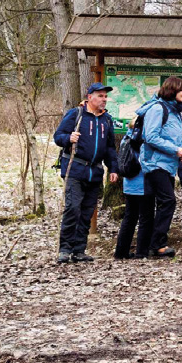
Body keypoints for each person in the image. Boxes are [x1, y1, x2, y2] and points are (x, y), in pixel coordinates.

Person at [54, 82, 119, 263]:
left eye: (105, 96)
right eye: (100, 96)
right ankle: (65, 250)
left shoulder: (107, 120)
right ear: (90, 97)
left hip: (95, 172)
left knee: (86, 212)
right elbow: (58, 136)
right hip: (74, 169)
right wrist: (68, 138)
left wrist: (113, 168)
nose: (104, 99)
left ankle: (79, 250)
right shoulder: (76, 114)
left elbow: (110, 148)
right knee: (72, 209)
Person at [137, 76, 182, 258]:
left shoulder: (173, 111)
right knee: (168, 201)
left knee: (157, 204)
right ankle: (157, 244)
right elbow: (151, 137)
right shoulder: (158, 109)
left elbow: (174, 138)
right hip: (154, 164)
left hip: (167, 165)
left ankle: (147, 248)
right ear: (173, 90)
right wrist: (176, 150)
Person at [114, 118, 154, 259]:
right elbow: (145, 160)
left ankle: (121, 252)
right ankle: (142, 252)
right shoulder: (141, 140)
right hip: (142, 183)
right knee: (146, 218)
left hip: (129, 184)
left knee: (129, 218)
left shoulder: (127, 137)